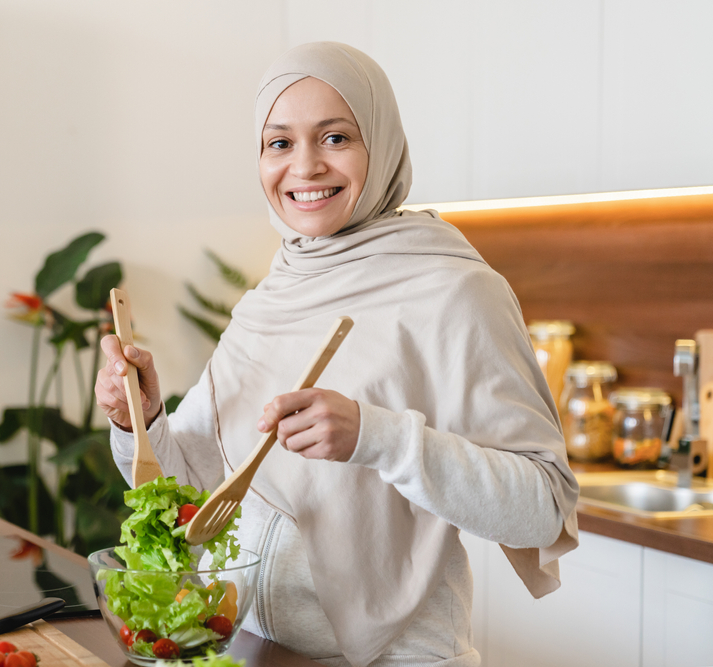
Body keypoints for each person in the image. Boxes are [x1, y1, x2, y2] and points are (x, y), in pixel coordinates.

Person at [94, 42, 578, 667]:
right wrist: (141, 417)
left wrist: (379, 438)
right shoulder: (273, 295)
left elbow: (543, 508)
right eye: (279, 143)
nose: (306, 166)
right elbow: (194, 491)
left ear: (380, 144)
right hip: (259, 651)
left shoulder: (456, 290)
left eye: (336, 137)